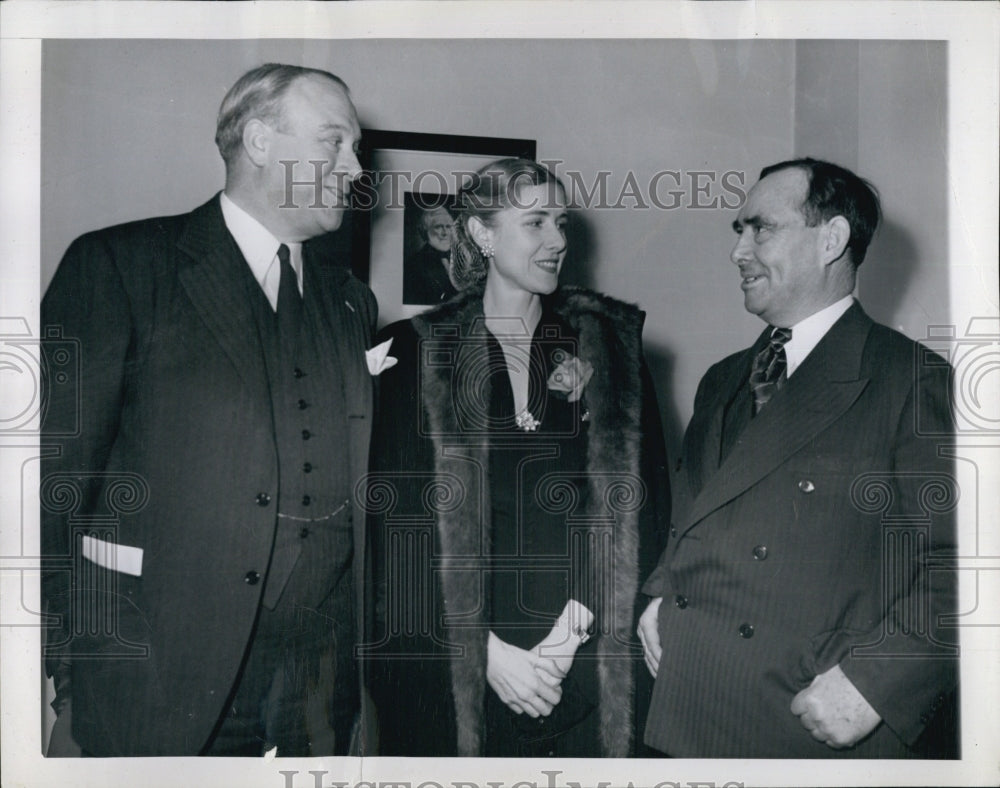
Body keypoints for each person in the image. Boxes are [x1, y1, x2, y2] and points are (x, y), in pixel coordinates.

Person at [40, 63, 376, 757]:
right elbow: (43, 483)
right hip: (154, 683)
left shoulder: (351, 301)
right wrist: (65, 667)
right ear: (260, 140)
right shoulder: (121, 267)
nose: (355, 166)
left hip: (316, 695)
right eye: (335, 142)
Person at [637, 158, 958, 758]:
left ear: (832, 239)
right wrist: (662, 591)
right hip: (687, 702)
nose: (739, 251)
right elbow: (698, 513)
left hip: (802, 723)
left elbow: (967, 565)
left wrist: (876, 684)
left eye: (761, 229)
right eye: (738, 231)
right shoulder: (723, 379)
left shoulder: (912, 381)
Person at [363, 158, 669, 756]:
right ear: (482, 233)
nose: (557, 240)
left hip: (583, 650)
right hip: (453, 660)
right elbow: (394, 524)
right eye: (534, 223)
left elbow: (638, 505)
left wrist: (562, 641)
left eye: (561, 222)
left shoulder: (610, 346)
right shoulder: (415, 350)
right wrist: (483, 650)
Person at [402, 203, 459, 305]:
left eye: (448, 227)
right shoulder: (413, 265)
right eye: (438, 227)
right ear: (425, 231)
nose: (445, 233)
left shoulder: (462, 259)